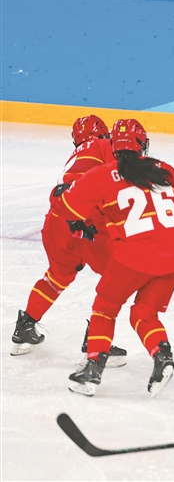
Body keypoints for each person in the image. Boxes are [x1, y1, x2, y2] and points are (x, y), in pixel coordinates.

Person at [55, 119, 174, 397]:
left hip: (134, 258)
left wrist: (59, 195)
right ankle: (162, 356)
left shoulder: (101, 175)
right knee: (143, 312)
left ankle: (92, 370)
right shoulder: (165, 169)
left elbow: (67, 209)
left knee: (104, 308)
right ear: (143, 144)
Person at [11, 115, 127, 366]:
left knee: (57, 276)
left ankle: (24, 328)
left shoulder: (77, 154)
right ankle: (96, 342)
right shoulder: (103, 146)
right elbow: (118, 181)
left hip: (56, 221)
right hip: (85, 220)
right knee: (118, 278)